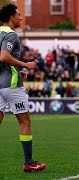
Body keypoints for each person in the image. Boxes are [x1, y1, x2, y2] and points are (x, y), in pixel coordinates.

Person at [0, 3, 46, 172]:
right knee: (25, 122)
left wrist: (17, 69)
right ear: (11, 17)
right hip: (12, 86)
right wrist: (25, 64)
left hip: (0, 85)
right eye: (18, 14)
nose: (20, 17)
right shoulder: (12, 35)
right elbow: (4, 56)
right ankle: (29, 163)